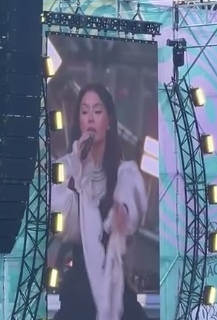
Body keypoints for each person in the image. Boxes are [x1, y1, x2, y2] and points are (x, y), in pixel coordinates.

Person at [51, 83, 149, 320]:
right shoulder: (67, 169)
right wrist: (78, 168)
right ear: (79, 121)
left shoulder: (125, 172)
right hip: (79, 287)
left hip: (114, 285)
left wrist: (121, 217)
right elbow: (63, 223)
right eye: (84, 112)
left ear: (109, 121)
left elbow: (131, 208)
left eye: (97, 111)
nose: (90, 118)